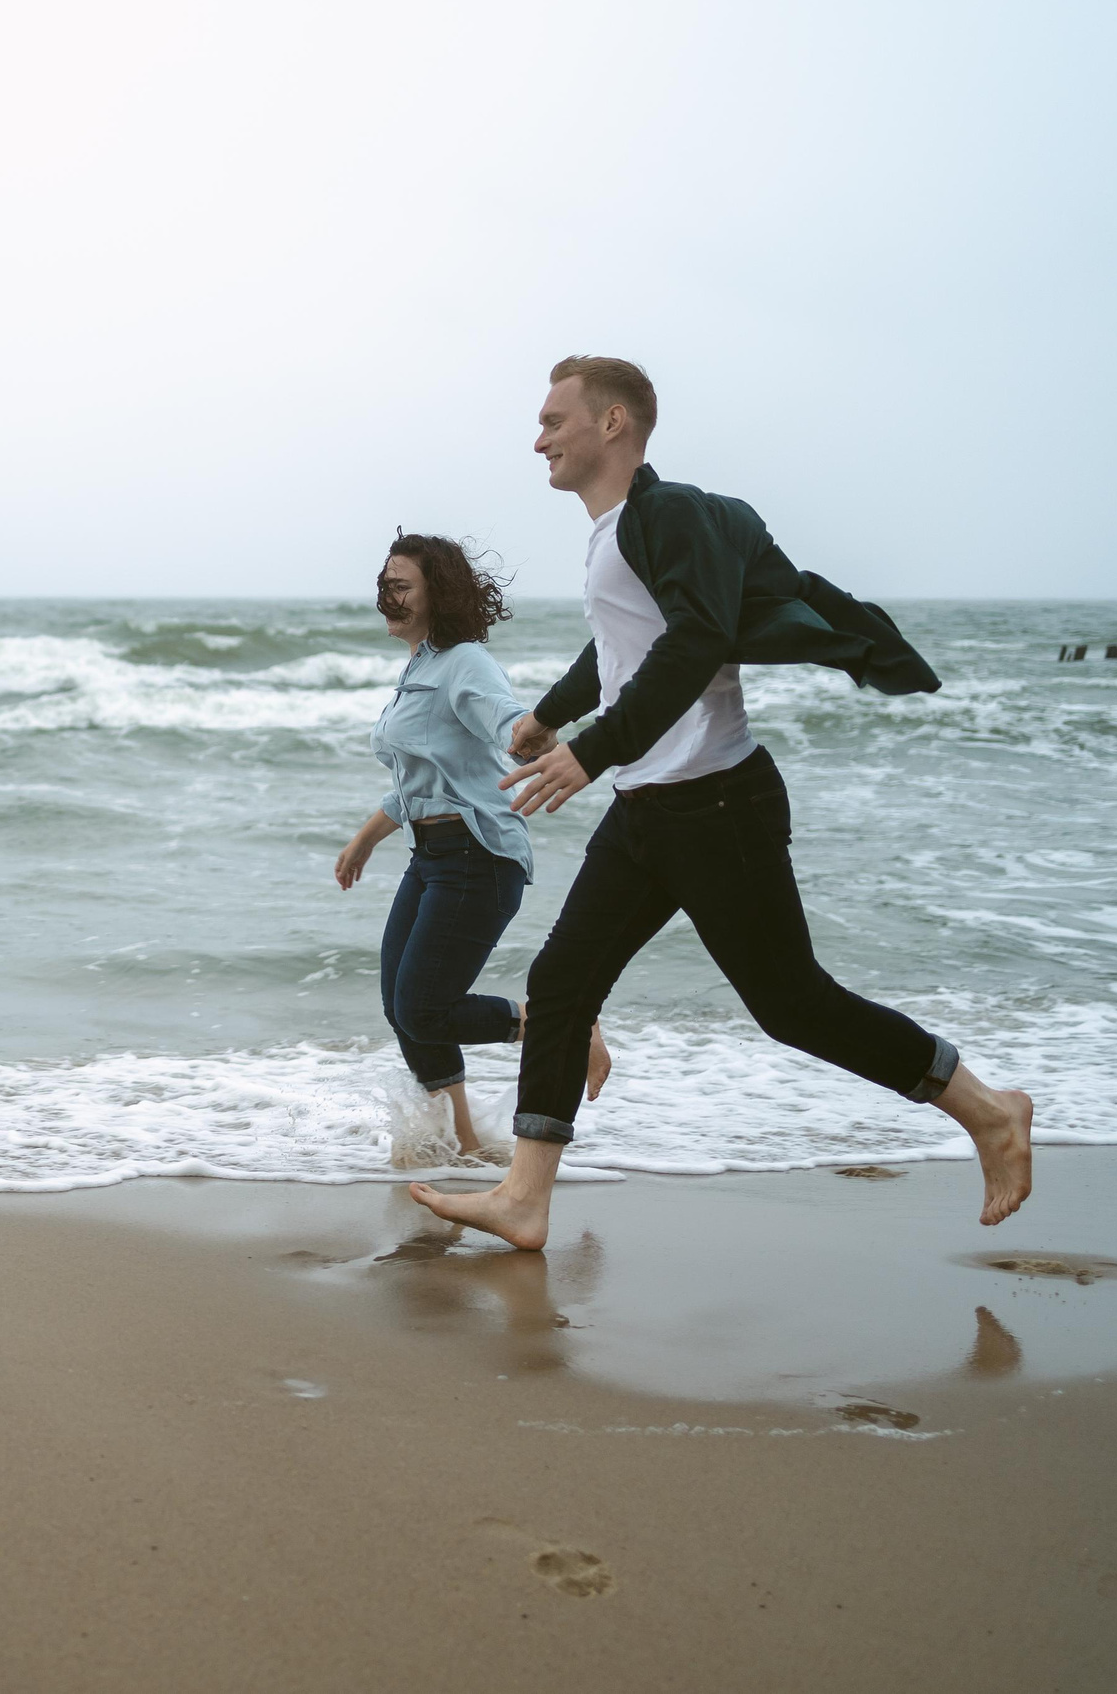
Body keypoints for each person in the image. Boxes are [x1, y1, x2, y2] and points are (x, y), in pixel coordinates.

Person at [408, 356, 1033, 1250]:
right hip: (650, 808)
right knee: (561, 984)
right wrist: (550, 716)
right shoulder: (614, 531)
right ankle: (525, 1195)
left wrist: (593, 749)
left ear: (613, 422)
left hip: (717, 803)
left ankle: (988, 1110)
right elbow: (625, 648)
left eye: (555, 419)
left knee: (793, 1004)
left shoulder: (667, 515)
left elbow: (697, 638)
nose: (539, 435)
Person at [334, 533, 608, 1162]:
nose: (387, 596)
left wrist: (543, 742)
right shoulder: (419, 666)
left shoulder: (464, 663)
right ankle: (460, 1141)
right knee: (402, 1007)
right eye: (384, 583)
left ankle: (561, 1022)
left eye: (400, 585)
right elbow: (419, 784)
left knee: (424, 1008)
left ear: (439, 592)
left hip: (478, 857)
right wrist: (363, 842)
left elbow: (508, 722)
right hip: (433, 859)